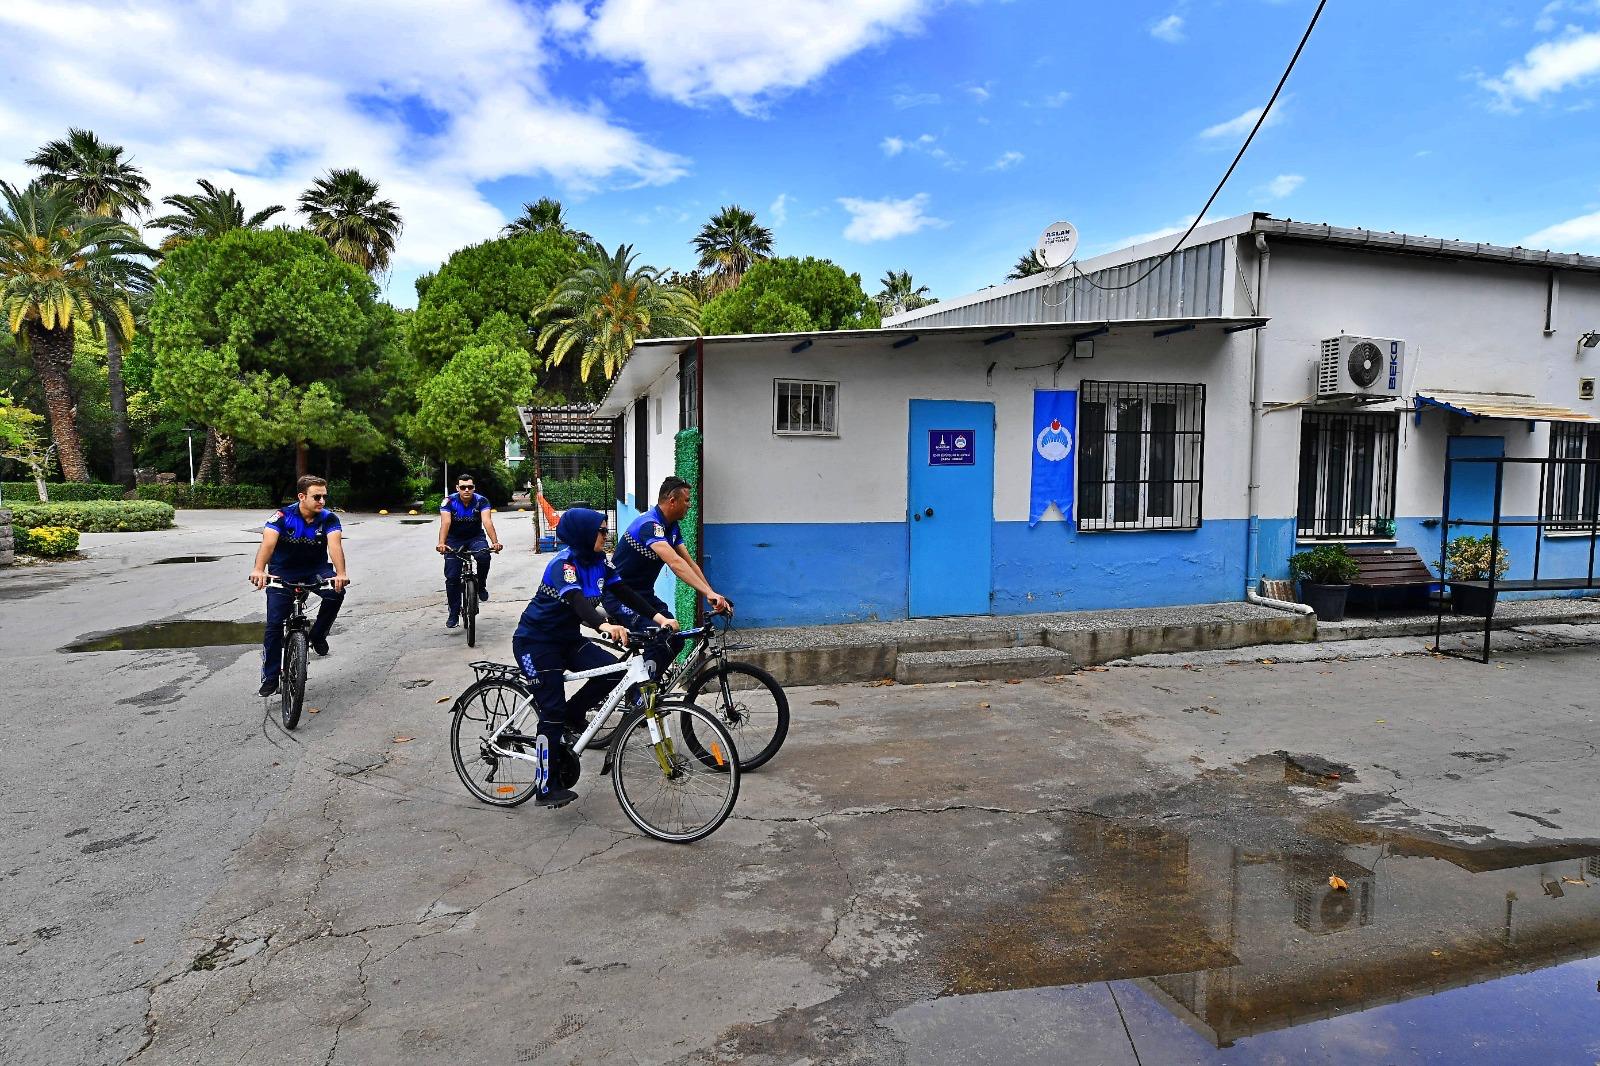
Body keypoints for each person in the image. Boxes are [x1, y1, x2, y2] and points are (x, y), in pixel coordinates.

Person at [512, 507, 672, 807]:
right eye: (600, 530)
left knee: (612, 673)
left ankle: (574, 715)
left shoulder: (600, 562)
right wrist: (605, 625)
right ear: (584, 534)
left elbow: (625, 592)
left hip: (568, 640)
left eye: (605, 529)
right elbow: (578, 604)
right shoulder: (564, 565)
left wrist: (659, 617)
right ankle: (546, 786)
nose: (605, 535)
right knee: (552, 712)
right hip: (536, 642)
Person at [604, 476, 733, 678]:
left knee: (676, 638)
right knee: (659, 638)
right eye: (687, 500)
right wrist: (707, 592)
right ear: (672, 501)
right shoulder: (649, 525)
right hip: (620, 597)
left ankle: (648, 689)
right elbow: (674, 563)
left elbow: (689, 563)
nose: (689, 505)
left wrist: (711, 593)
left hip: (644, 596)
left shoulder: (671, 527)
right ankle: (641, 700)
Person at [248, 475, 350, 697]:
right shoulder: (282, 516)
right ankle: (271, 677)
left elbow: (335, 546)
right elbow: (268, 543)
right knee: (274, 625)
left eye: (324, 496)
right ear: (302, 496)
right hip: (282, 571)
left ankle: (318, 634)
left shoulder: (329, 518)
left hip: (316, 569)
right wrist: (259, 569)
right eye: (317, 497)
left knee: (336, 593)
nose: (322, 501)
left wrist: (340, 574)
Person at [435, 472, 503, 629]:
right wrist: (441, 543)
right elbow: (445, 522)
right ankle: (453, 612)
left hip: (475, 538)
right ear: (458, 488)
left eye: (470, 487)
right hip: (454, 539)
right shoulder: (449, 501)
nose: (467, 490)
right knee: (452, 577)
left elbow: (487, 521)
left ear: (474, 488)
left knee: (484, 556)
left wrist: (495, 542)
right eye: (463, 487)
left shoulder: (481, 501)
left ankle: (481, 586)